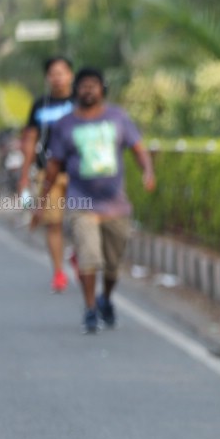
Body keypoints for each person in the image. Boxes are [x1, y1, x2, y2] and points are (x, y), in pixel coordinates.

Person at [42, 67, 155, 333]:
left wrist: (148, 171)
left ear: (103, 89)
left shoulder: (118, 118)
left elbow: (139, 149)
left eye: (93, 85)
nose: (88, 89)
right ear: (76, 90)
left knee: (113, 267)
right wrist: (42, 200)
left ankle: (106, 298)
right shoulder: (65, 124)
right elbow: (54, 164)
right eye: (83, 85)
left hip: (115, 205)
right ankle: (90, 308)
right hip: (81, 203)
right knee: (88, 258)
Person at [19, 57, 76, 293]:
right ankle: (58, 272)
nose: (58, 77)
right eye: (53, 73)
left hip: (77, 172)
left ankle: (78, 254)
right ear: (47, 77)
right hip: (48, 173)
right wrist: (24, 175)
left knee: (85, 220)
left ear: (70, 75)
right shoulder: (40, 105)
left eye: (62, 72)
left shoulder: (80, 102)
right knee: (53, 224)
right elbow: (30, 140)